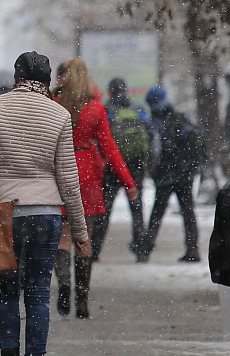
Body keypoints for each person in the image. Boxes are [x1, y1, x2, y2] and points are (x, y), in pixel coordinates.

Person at [0, 51, 90, 356]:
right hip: (46, 214)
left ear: (16, 74)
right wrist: (82, 232)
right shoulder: (59, 114)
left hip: (4, 214)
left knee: (6, 293)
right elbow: (68, 178)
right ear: (48, 76)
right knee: (38, 296)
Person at [51, 59, 139, 319]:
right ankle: (83, 300)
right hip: (87, 173)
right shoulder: (96, 109)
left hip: (61, 170)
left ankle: (64, 286)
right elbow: (110, 149)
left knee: (63, 236)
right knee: (84, 238)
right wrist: (129, 183)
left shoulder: (55, 106)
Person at [138, 86, 203, 263]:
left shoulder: (156, 123)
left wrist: (154, 171)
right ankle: (193, 250)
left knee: (157, 214)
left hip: (166, 176)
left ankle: (145, 250)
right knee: (188, 212)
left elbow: (155, 151)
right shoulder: (182, 118)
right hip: (186, 175)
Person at [96, 77, 151, 262]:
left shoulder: (106, 109)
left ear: (110, 91)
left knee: (105, 210)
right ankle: (141, 251)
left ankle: (95, 250)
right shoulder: (137, 108)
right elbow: (149, 132)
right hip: (135, 164)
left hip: (112, 166)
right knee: (137, 209)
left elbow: (99, 138)